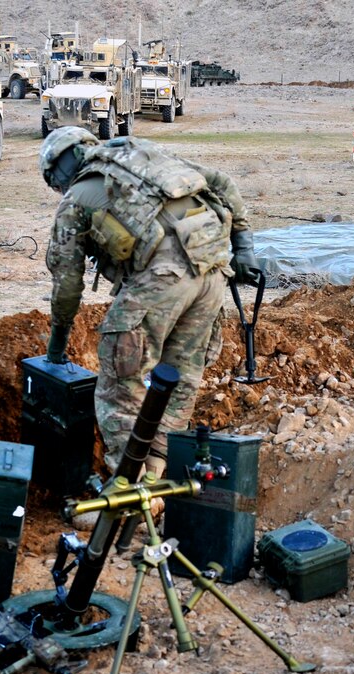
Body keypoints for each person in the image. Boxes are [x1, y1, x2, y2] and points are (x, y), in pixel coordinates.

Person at [39, 128, 259, 478]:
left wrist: (56, 347)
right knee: (178, 381)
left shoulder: (76, 198)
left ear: (57, 173)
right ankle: (155, 481)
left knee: (119, 387)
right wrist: (244, 248)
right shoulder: (143, 155)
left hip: (162, 280)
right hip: (212, 272)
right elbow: (222, 182)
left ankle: (127, 497)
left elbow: (66, 286)